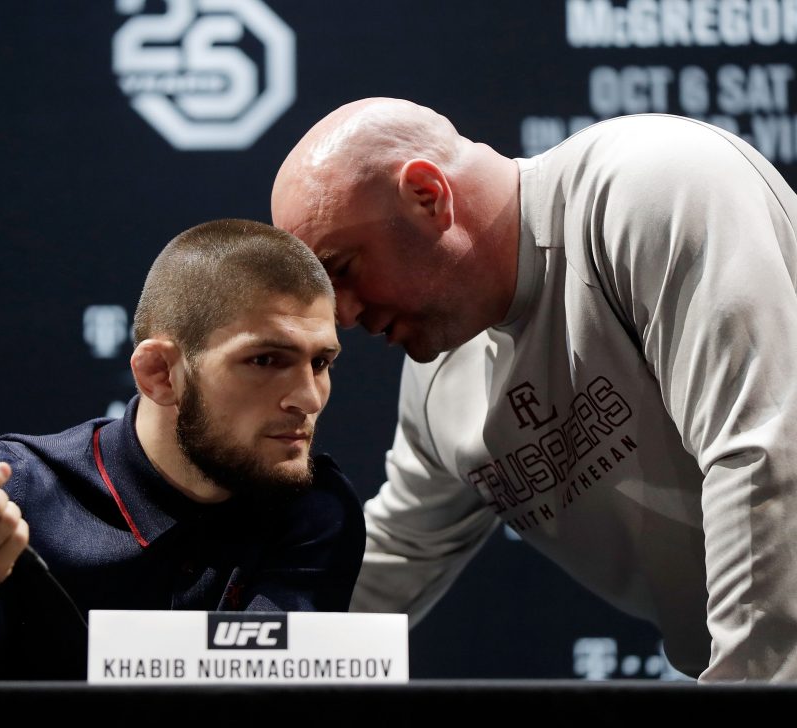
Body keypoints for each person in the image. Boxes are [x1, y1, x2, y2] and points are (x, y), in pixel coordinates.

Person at [270, 98, 797, 681]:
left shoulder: (650, 187)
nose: (340, 316)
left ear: (427, 194)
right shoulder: (438, 377)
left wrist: (751, 689)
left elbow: (765, 450)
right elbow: (394, 562)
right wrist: (200, 663)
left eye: (340, 268)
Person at [0, 218, 365, 681]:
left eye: (321, 362)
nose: (308, 397)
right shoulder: (11, 493)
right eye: (265, 360)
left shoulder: (316, 509)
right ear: (159, 374)